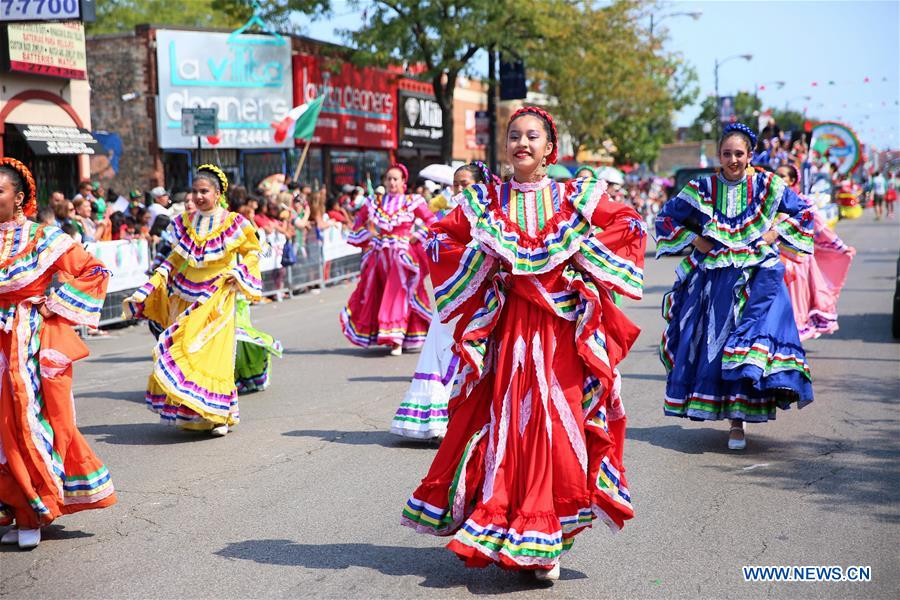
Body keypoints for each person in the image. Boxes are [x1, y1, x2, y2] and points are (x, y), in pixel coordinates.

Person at [402, 108, 645, 580]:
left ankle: (546, 533)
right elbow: (439, 238)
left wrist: (581, 262)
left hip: (559, 332)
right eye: (514, 136)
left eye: (532, 136)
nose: (522, 143)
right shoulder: (485, 200)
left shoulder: (574, 197)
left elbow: (629, 225)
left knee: (559, 422)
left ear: (550, 148)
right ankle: (514, 528)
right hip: (508, 331)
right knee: (510, 426)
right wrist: (484, 263)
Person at [655, 123, 815, 451]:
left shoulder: (768, 185)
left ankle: (739, 421)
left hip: (756, 278)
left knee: (747, 349)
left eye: (739, 154)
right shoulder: (702, 188)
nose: (733, 160)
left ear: (750, 156)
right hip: (714, 280)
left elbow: (804, 213)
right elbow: (665, 217)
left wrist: (772, 234)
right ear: (718, 156)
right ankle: (730, 418)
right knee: (713, 348)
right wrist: (693, 238)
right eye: (726, 154)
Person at [0, 158, 116, 549]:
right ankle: (11, 506)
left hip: (28, 343)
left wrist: (55, 304)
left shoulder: (42, 238)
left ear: (19, 198)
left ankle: (33, 508)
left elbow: (93, 270)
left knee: (24, 422)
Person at [123, 164, 267, 436]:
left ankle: (221, 415)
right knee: (187, 350)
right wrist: (156, 279)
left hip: (217, 298)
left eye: (204, 191)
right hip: (186, 298)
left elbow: (253, 251)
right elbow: (176, 257)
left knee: (215, 356)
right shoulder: (184, 223)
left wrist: (239, 271)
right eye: (195, 191)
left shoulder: (234, 223)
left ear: (217, 193)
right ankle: (196, 413)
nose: (199, 197)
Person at [390, 162, 498, 441]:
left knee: (470, 357)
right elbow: (435, 245)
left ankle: (467, 421)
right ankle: (433, 422)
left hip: (479, 299)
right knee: (439, 353)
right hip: (450, 297)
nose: (459, 189)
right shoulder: (450, 216)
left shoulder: (492, 216)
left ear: (480, 185)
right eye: (456, 184)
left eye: (465, 184)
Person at [340, 164, 437, 356]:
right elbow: (357, 226)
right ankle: (395, 335)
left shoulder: (412, 201)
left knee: (398, 295)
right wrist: (372, 236)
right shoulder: (373, 202)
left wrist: (418, 234)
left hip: (402, 257)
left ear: (403, 182)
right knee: (379, 295)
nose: (392, 182)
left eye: (395, 179)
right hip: (380, 257)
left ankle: (396, 339)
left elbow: (432, 221)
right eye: (389, 179)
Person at [776, 164, 855, 340]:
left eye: (783, 176)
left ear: (793, 180)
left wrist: (841, 248)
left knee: (795, 307)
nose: (778, 179)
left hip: (798, 264)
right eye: (777, 175)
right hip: (774, 262)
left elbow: (820, 229)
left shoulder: (804, 202)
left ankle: (791, 348)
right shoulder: (769, 201)